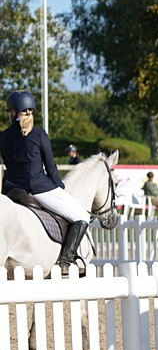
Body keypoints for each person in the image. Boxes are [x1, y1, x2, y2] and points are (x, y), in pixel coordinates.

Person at [0, 90, 91, 270]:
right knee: (82, 216)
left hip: (10, 190)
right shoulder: (39, 134)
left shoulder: (2, 136)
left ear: (12, 112)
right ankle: (66, 260)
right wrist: (59, 187)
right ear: (31, 110)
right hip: (38, 188)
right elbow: (51, 168)